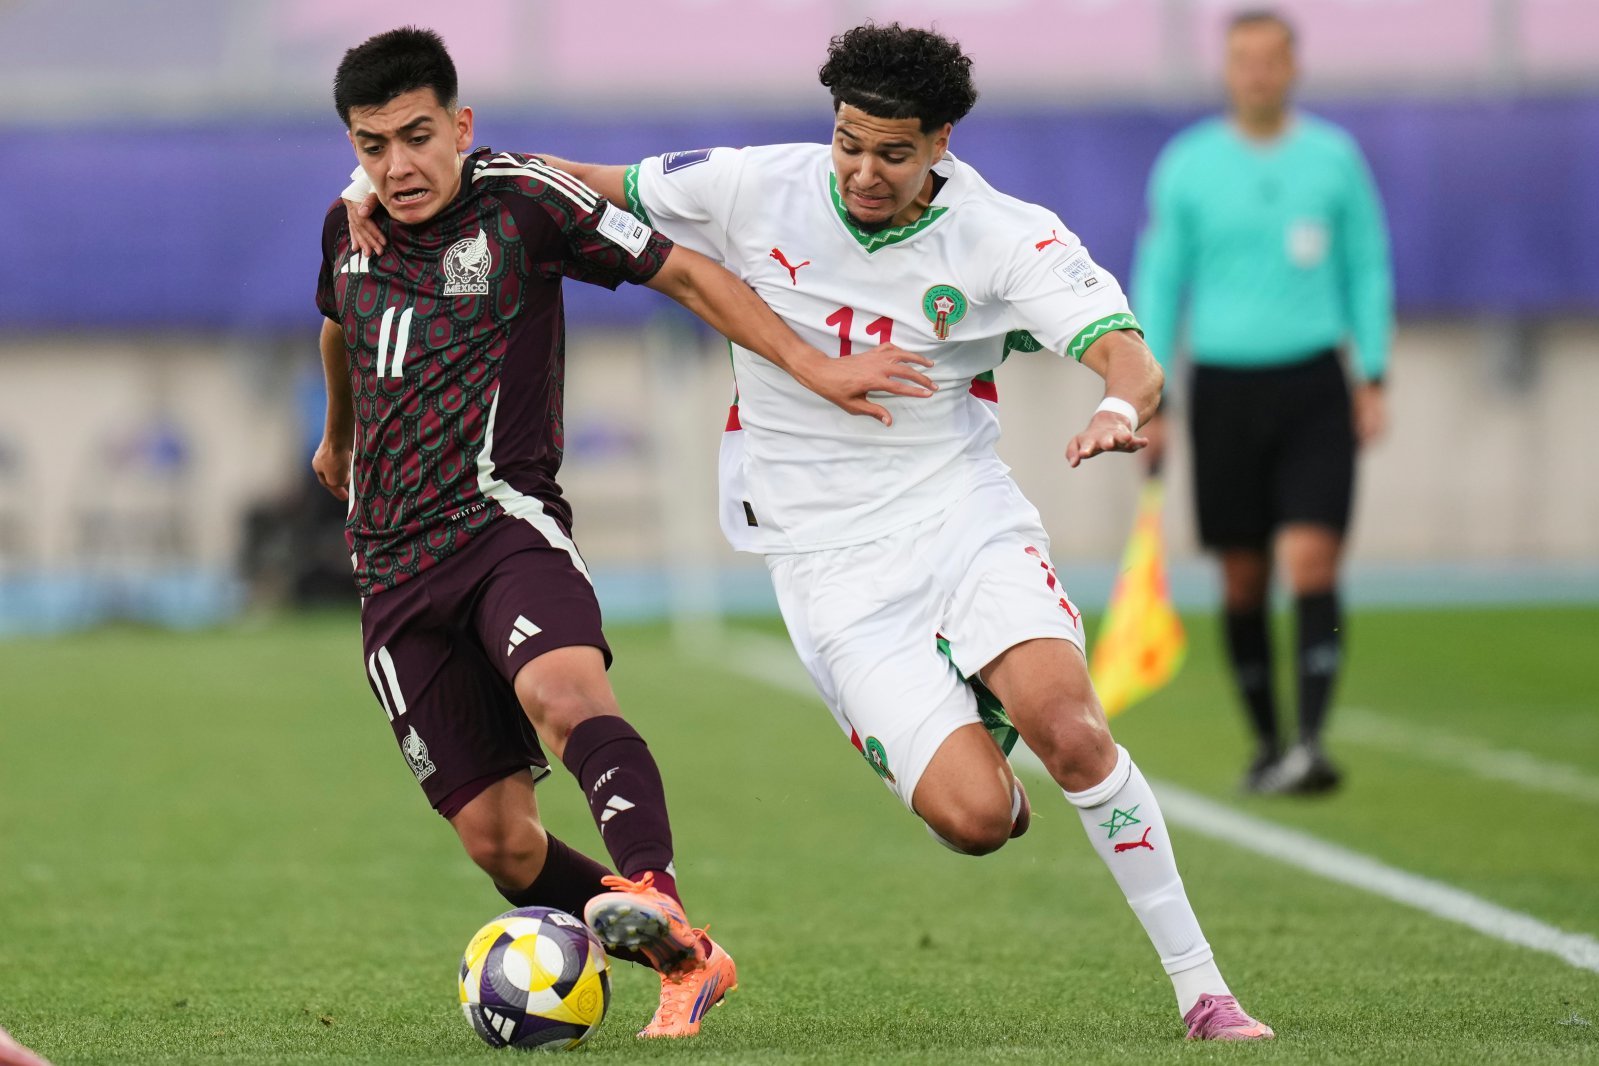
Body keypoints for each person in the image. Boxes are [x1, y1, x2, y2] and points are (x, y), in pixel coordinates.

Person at [343, 19, 1271, 1043]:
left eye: (893, 153)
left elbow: (1126, 353)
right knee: (976, 819)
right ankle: (977, 735)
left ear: (942, 142)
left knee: (1073, 727)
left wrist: (1118, 406)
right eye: (848, 143)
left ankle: (1204, 992)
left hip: (960, 515)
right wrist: (372, 186)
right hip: (827, 566)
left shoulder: (1006, 235)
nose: (863, 172)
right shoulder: (753, 185)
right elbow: (568, 183)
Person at [314, 27, 933, 1040]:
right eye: (372, 145)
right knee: (502, 844)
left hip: (500, 526)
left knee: (564, 693)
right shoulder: (348, 227)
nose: (397, 165)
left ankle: (657, 895)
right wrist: (337, 436)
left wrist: (812, 365)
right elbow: (338, 319)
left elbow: (683, 273)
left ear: (461, 126)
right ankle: (687, 958)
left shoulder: (523, 203)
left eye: (417, 137)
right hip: (388, 570)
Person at [1131, 8, 1394, 794]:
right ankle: (1267, 743)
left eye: (1271, 58)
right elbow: (1161, 280)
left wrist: (1373, 373)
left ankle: (1311, 742)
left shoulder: (1334, 159)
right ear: (1226, 68)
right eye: (1243, 58)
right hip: (1224, 390)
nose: (1257, 72)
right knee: (1243, 577)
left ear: (1293, 67)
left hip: (1314, 385)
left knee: (1312, 559)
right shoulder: (1188, 165)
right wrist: (1150, 397)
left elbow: (1367, 265)